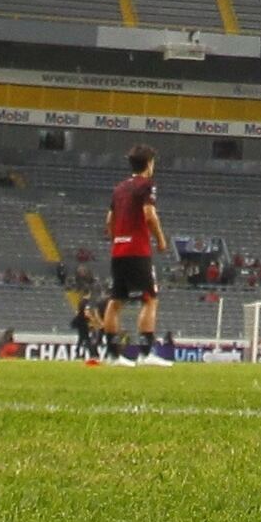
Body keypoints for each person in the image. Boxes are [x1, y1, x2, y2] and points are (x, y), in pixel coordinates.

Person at [101, 148, 168, 364]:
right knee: (149, 299)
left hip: (119, 250)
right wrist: (160, 238)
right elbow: (149, 215)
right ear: (149, 163)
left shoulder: (119, 188)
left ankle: (113, 356)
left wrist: (117, 240)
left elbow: (109, 220)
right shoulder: (146, 185)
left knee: (115, 302)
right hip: (137, 250)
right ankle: (146, 353)